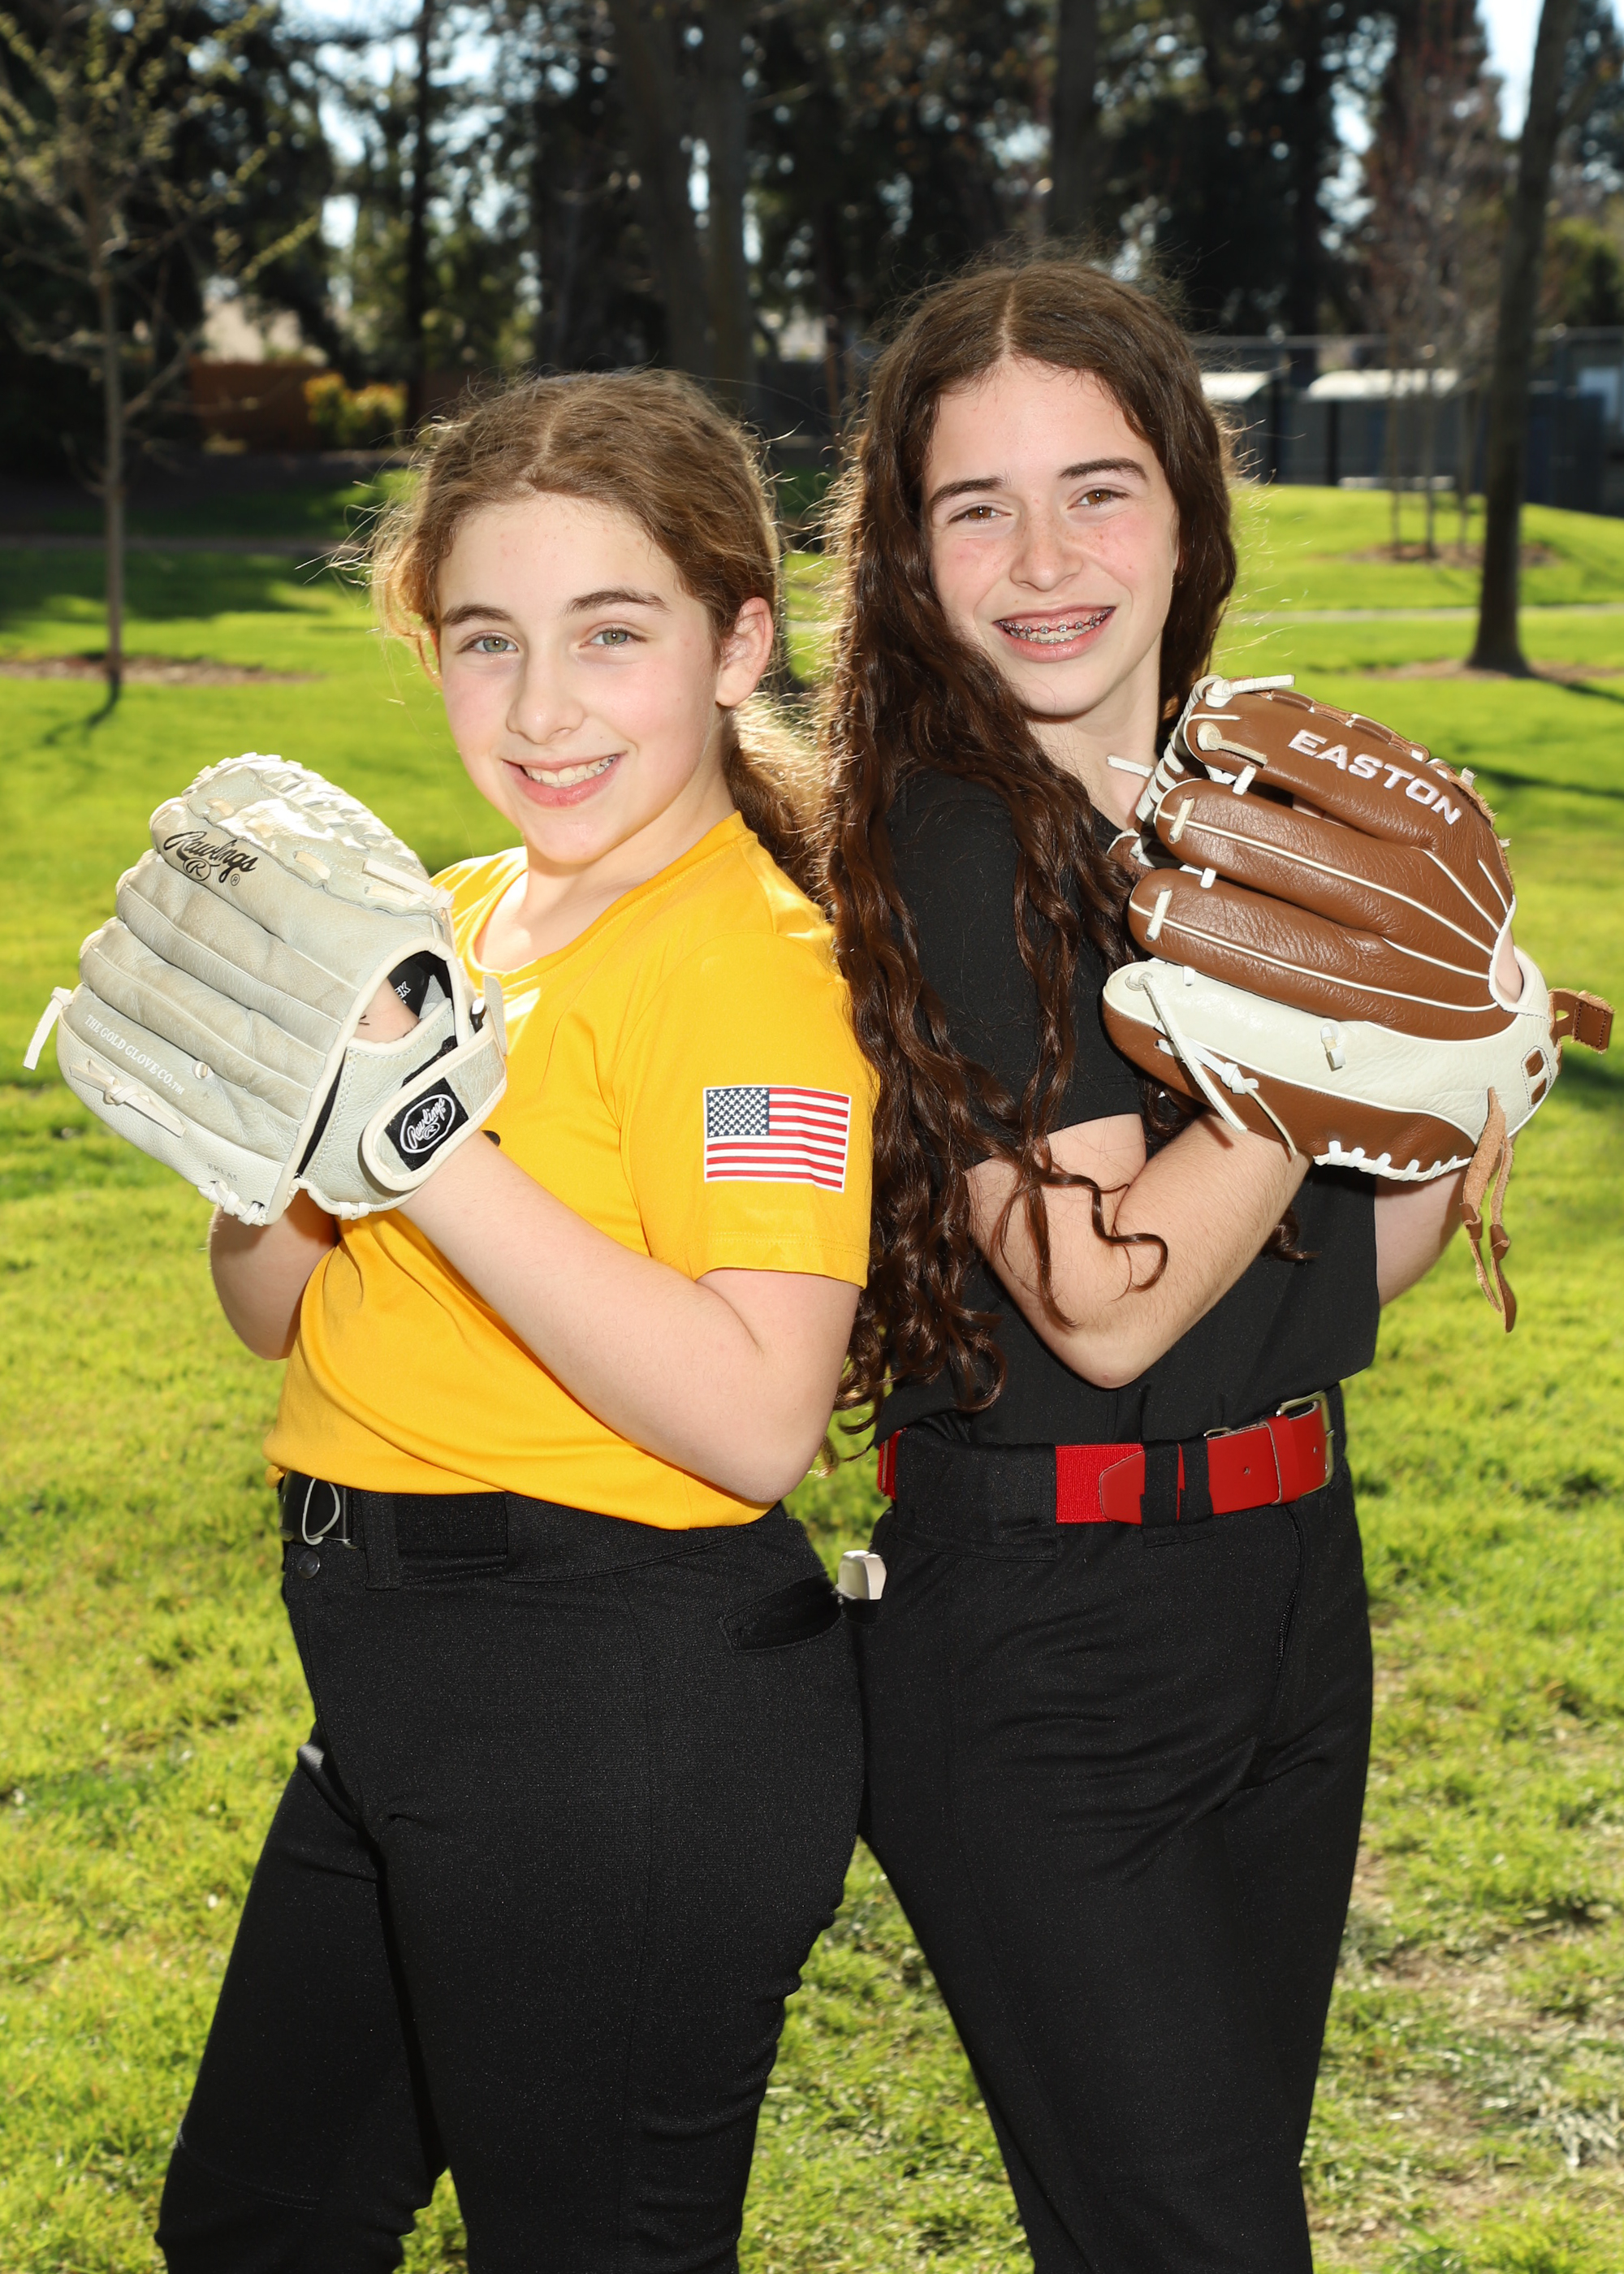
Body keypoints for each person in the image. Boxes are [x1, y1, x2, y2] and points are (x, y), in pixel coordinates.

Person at [155, 370, 871, 2274]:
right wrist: (262, 1132)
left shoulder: (751, 971)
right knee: (259, 2220)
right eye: (488, 638)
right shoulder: (455, 916)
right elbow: (275, 1309)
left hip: (611, 1701)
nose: (541, 706)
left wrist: (421, 1142)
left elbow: (757, 1416)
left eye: (608, 632)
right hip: (403, 1682)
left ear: (739, 642)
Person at [817, 260, 1488, 2272]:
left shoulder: (1246, 829)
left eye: (1097, 490)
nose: (1045, 560)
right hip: (1047, 1637)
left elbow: (1332, 1279)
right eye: (978, 506)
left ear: (1187, 510)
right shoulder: (953, 830)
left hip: (1283, 1588)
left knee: (1182, 2217)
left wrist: (1466, 1082)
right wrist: (1322, 1042)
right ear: (909, 553)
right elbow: (1104, 1296)